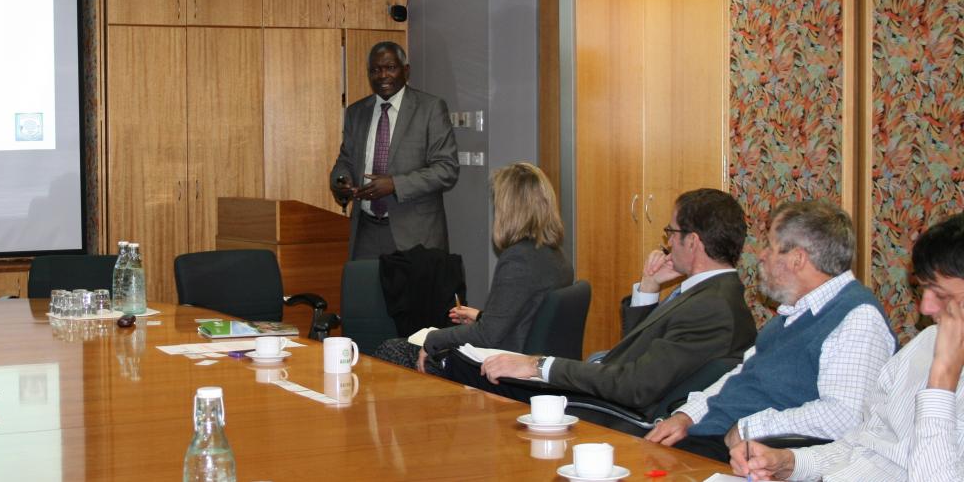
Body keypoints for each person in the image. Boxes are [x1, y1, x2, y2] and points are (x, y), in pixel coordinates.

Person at [454, 189, 757, 417]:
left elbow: (636, 386)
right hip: (603, 383)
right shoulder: (711, 293)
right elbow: (642, 350)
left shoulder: (711, 308)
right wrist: (649, 288)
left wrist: (538, 365)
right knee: (472, 364)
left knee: (465, 369)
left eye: (671, 232)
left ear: (692, 242)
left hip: (610, 410)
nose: (667, 242)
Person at [645, 200, 897, 462]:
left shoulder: (858, 318)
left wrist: (751, 428)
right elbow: (743, 373)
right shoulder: (792, 313)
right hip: (710, 436)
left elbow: (845, 416)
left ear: (798, 258)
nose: (761, 255)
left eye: (771, 246)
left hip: (749, 455)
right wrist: (689, 415)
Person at [730, 212, 964, 482]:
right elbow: (866, 444)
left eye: (942, 294)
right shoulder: (925, 343)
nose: (926, 307)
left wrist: (941, 385)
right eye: (924, 291)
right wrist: (790, 463)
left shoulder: (935, 362)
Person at [373, 163, 573, 376]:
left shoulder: (518, 260)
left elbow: (488, 337)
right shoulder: (554, 255)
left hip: (503, 368)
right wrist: (480, 317)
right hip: (531, 363)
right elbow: (525, 319)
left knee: (391, 349)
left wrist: (434, 340)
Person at [329, 41, 459, 260]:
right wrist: (340, 181)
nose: (383, 75)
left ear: (406, 70)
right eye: (375, 70)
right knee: (364, 294)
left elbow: (447, 169)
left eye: (390, 68)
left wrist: (395, 185)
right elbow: (346, 160)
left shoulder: (430, 108)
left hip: (416, 234)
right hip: (366, 232)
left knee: (414, 296)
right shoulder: (356, 112)